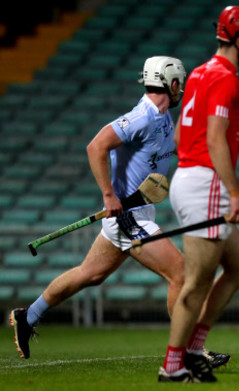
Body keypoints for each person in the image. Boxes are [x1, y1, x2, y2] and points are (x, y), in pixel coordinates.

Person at [10, 56, 187, 362]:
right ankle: (185, 354)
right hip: (128, 218)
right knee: (182, 275)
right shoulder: (141, 117)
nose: (180, 89)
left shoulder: (163, 119)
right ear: (171, 83)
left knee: (89, 274)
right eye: (179, 83)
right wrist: (109, 195)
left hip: (138, 214)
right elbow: (96, 146)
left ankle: (28, 316)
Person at [157, 5, 239, 383]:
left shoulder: (201, 73)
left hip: (191, 177)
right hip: (206, 183)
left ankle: (193, 348)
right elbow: (217, 139)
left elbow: (177, 136)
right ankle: (174, 366)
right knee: (197, 282)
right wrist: (235, 195)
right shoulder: (226, 79)